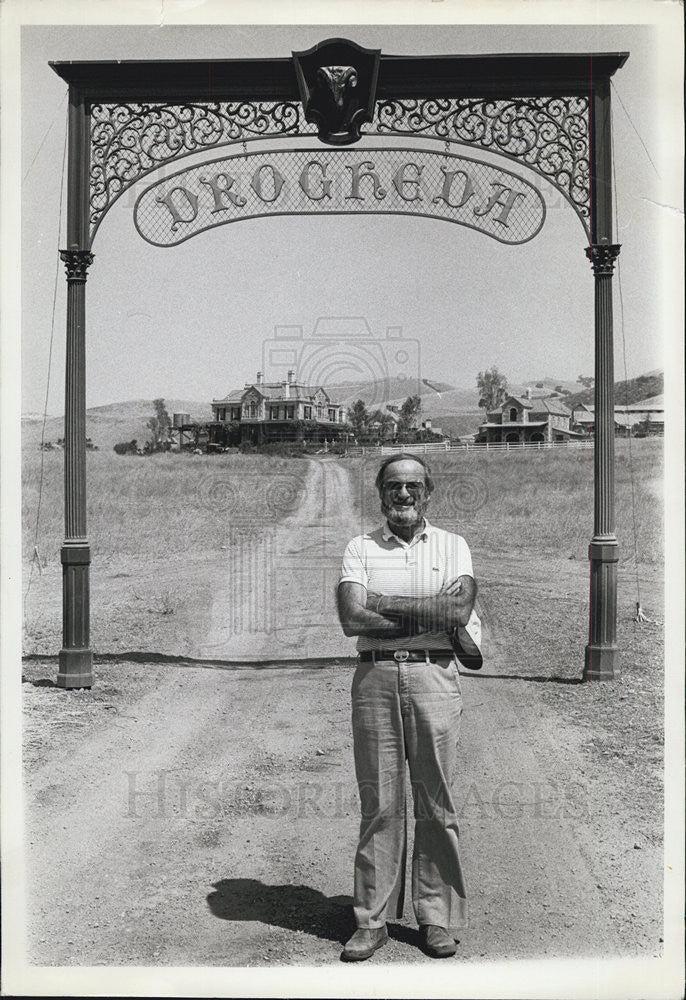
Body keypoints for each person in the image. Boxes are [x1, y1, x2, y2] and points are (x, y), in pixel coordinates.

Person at [336, 453, 481, 961]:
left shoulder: (452, 545)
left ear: (428, 491)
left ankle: (436, 917)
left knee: (436, 802)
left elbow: (459, 610)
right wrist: (429, 614)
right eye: (394, 485)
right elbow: (352, 619)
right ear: (380, 493)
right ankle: (370, 921)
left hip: (434, 677)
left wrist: (384, 602)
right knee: (380, 802)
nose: (403, 494)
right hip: (374, 676)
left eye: (413, 485)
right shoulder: (360, 547)